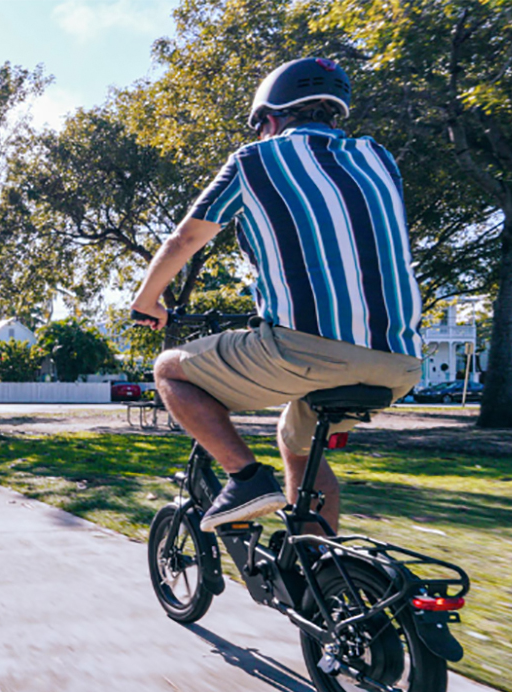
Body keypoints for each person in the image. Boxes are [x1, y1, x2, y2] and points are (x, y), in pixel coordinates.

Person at [130, 57, 423, 533]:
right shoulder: (378, 158)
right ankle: (316, 567)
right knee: (297, 444)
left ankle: (245, 479)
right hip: (401, 362)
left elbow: (184, 240)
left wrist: (147, 301)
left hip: (306, 350)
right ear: (333, 115)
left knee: (170, 372)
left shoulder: (253, 160)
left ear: (269, 119)